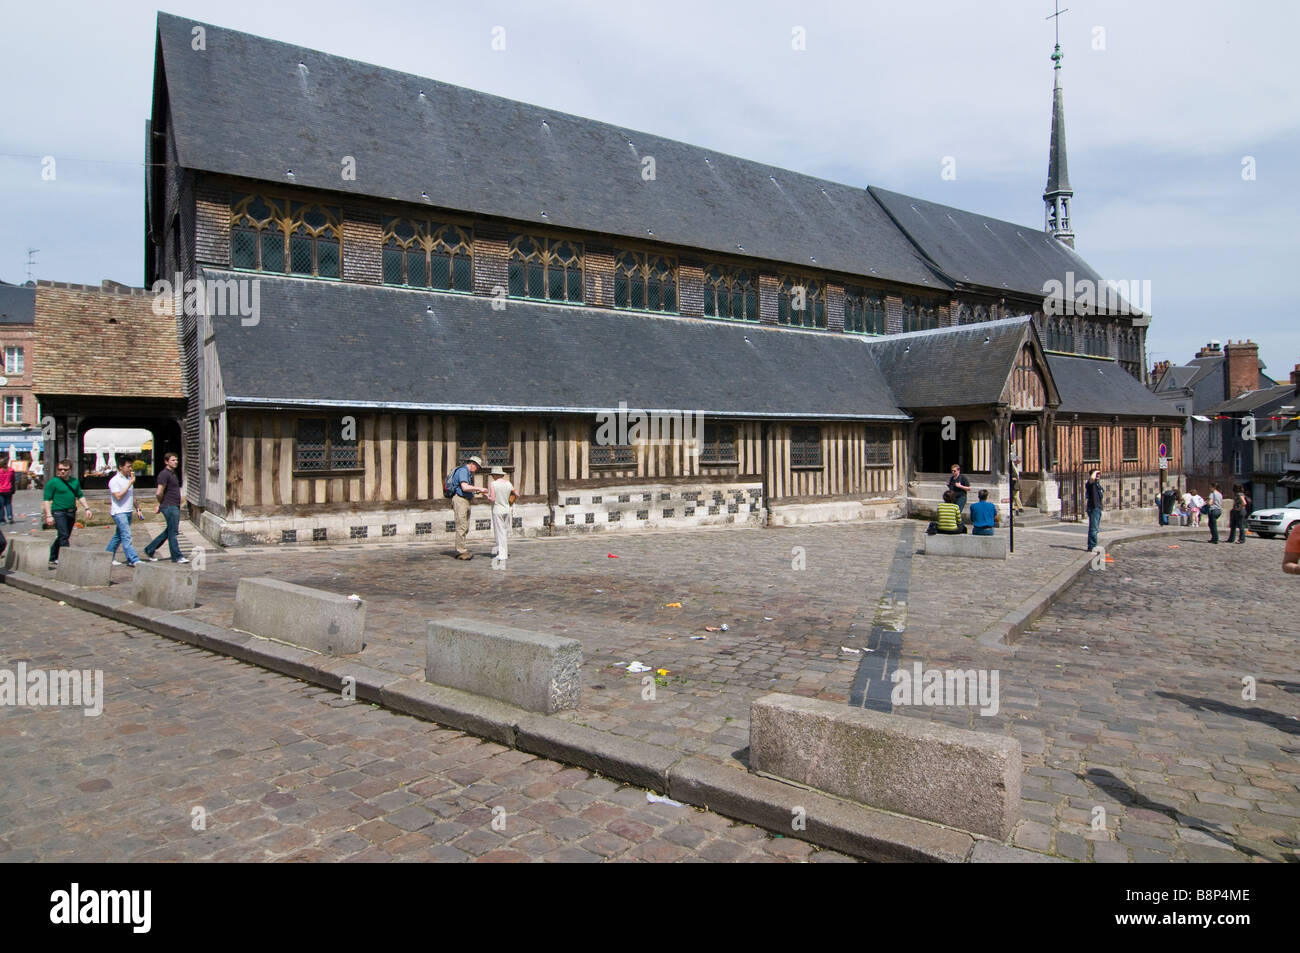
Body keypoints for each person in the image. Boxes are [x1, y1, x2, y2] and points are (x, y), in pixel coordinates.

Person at [42, 459, 93, 569]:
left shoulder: (74, 482)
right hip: (58, 511)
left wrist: (87, 508)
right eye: (60, 469)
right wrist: (48, 515)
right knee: (64, 535)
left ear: (69, 470)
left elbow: (80, 495)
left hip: (71, 511)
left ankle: (52, 555)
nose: (62, 471)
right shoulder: (53, 482)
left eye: (65, 469)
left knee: (64, 535)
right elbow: (46, 499)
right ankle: (68, 558)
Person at [143, 452, 187, 563]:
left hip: (174, 505)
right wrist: (161, 504)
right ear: (166, 461)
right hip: (169, 506)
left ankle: (150, 549)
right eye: (172, 460)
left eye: (176, 460)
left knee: (170, 531)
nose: (175, 462)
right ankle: (176, 556)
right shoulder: (164, 474)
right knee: (173, 532)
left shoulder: (173, 473)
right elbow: (159, 492)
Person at [105, 456, 144, 567]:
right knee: (126, 536)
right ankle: (133, 559)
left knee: (118, 536)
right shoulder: (114, 481)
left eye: (131, 466)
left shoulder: (128, 479)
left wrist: (138, 508)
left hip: (128, 511)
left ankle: (107, 556)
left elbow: (131, 495)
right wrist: (130, 484)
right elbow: (118, 496)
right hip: (119, 512)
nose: (130, 468)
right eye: (128, 466)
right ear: (121, 467)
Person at [448, 454, 487, 559]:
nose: (477, 469)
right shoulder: (463, 471)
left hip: (465, 500)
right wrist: (480, 488)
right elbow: (464, 487)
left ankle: (462, 548)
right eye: (477, 467)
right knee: (462, 526)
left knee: (465, 526)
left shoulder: (467, 472)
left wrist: (476, 490)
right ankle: (461, 551)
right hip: (460, 500)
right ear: (472, 464)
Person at [485, 466, 514, 569]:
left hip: (497, 510)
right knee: (504, 531)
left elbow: (492, 499)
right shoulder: (508, 483)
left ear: (496, 475)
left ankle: (502, 554)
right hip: (507, 509)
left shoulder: (493, 484)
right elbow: (516, 494)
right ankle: (503, 552)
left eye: (493, 475)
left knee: (499, 532)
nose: (492, 477)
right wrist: (509, 501)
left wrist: (486, 496)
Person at [1085, 468, 1103, 552]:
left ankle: (1092, 545)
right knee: (1093, 528)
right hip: (1093, 508)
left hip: (1098, 508)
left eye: (1099, 473)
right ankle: (1092, 546)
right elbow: (1091, 479)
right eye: (1097, 474)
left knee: (1095, 528)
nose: (1099, 475)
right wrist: (1095, 473)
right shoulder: (1090, 484)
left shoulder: (1097, 484)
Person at [0, 455, 14, 523]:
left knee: (1, 505)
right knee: (8, 503)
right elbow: (13, 480)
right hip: (9, 489)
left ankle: (2, 519)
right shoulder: (11, 470)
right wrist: (13, 489)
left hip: (1, 490)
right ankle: (10, 516)